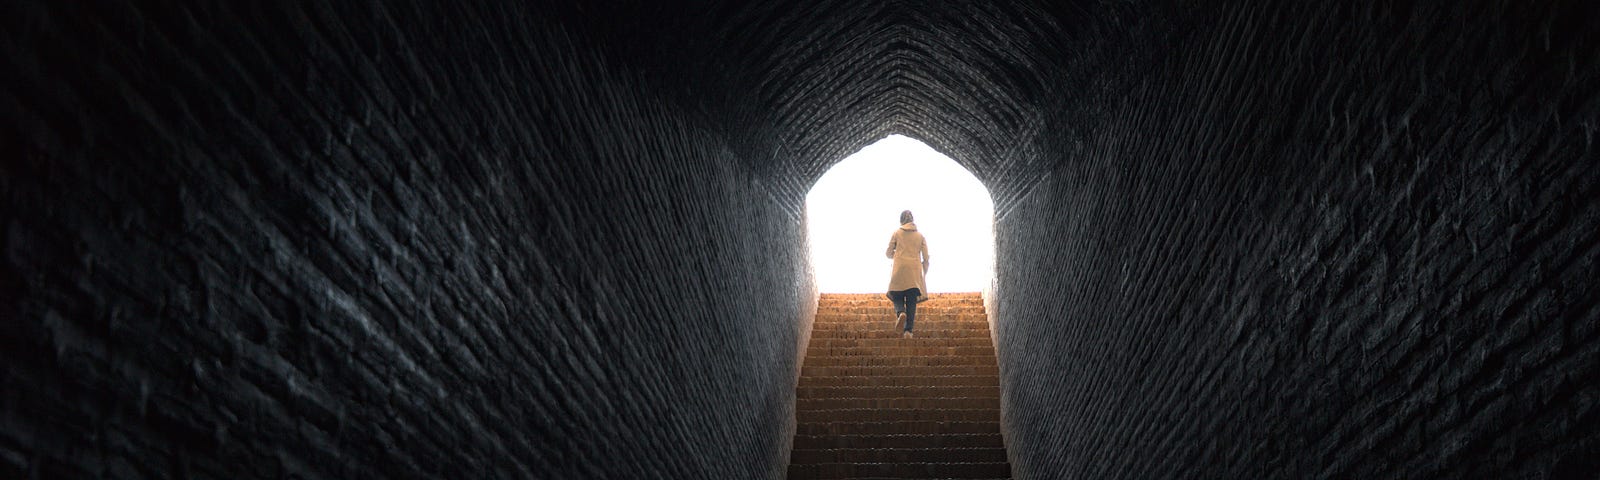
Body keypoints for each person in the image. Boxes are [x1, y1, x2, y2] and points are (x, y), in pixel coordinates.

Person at [885, 210, 929, 338]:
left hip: (899, 269)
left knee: (897, 295)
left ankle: (900, 312)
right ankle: (908, 331)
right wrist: (924, 270)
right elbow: (926, 257)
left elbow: (888, 253)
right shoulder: (920, 236)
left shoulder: (897, 233)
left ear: (901, 220)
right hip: (914, 272)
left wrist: (897, 255)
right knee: (911, 301)